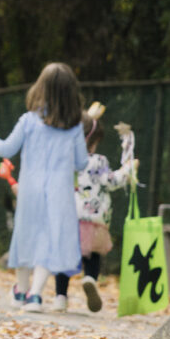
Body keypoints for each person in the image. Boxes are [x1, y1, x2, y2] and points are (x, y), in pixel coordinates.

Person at [0, 62, 87, 313]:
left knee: (25, 237)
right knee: (50, 240)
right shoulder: (74, 127)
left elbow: (6, 149)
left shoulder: (29, 121)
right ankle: (35, 295)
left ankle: (20, 291)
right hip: (60, 193)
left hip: (30, 190)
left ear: (40, 88)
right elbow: (82, 162)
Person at [52, 104, 135, 312]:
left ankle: (60, 297)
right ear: (94, 141)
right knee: (93, 254)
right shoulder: (98, 161)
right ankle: (90, 278)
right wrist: (127, 170)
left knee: (64, 258)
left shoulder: (66, 159)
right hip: (95, 218)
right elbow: (110, 181)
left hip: (68, 217)